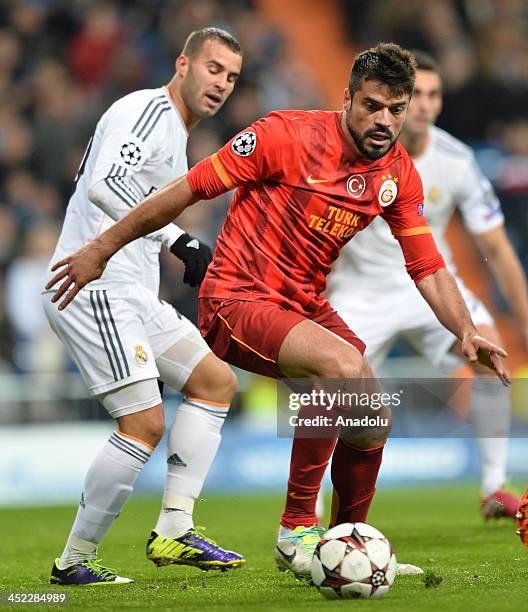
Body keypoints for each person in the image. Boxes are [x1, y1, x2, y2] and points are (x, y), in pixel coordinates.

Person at [46, 43, 510, 580]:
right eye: (372, 106)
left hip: (304, 306)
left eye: (396, 109)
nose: (384, 121)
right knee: (338, 367)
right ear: (348, 100)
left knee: (372, 417)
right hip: (236, 298)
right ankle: (296, 531)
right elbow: (185, 191)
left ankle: (346, 552)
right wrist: (103, 247)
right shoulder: (283, 135)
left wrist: (466, 331)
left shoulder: (397, 174)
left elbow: (426, 265)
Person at [41, 27, 245, 586]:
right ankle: (74, 563)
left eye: (231, 76)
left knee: (214, 382)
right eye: (212, 68)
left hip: (132, 290)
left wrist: (169, 242)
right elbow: (107, 184)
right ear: (183, 64)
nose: (221, 84)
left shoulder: (175, 132)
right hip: (95, 285)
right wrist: (179, 239)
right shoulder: (149, 111)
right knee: (144, 423)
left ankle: (175, 529)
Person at [328, 50, 525, 519]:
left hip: (433, 284)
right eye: (417, 95)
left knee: (490, 352)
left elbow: (495, 248)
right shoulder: (352, 148)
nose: (424, 106)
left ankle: (495, 487)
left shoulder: (456, 159)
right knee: (325, 386)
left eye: (434, 96)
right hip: (361, 289)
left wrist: (522, 316)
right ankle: (309, 507)